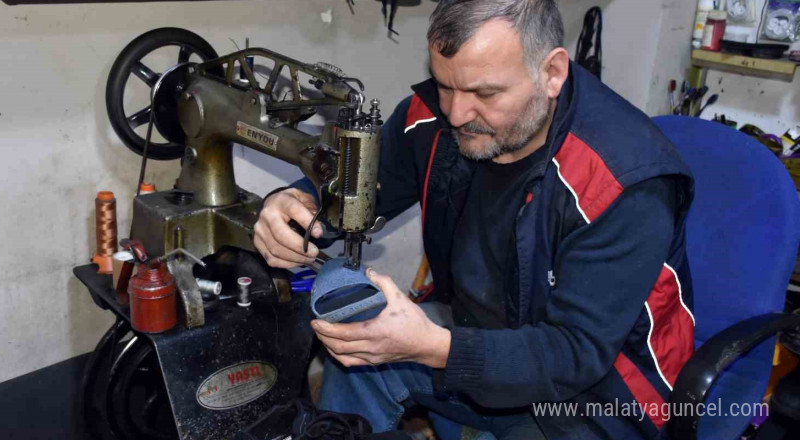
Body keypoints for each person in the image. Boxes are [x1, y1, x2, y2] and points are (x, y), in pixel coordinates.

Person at [252, 1, 695, 438]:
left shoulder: (622, 180)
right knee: (355, 351)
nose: (457, 113)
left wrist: (438, 349)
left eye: (485, 93)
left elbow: (575, 354)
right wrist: (294, 203)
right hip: (475, 333)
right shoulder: (433, 117)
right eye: (445, 85)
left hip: (595, 395)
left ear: (552, 73)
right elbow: (355, 193)